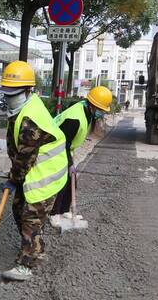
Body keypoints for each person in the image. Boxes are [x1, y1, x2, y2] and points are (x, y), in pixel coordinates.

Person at [0, 61, 68, 281]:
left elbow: (25, 157)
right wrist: (15, 177)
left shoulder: (31, 120)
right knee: (18, 208)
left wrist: (13, 178)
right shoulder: (25, 107)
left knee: (31, 218)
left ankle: (27, 264)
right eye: (7, 92)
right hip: (33, 171)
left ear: (29, 90)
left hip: (44, 176)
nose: (10, 97)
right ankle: (36, 248)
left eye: (15, 93)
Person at [49, 86, 113, 227]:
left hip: (65, 146)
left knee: (72, 179)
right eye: (101, 110)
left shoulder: (86, 110)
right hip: (53, 146)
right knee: (63, 180)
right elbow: (62, 143)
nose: (102, 113)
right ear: (93, 106)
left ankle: (65, 210)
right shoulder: (75, 118)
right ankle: (54, 214)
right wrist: (70, 163)